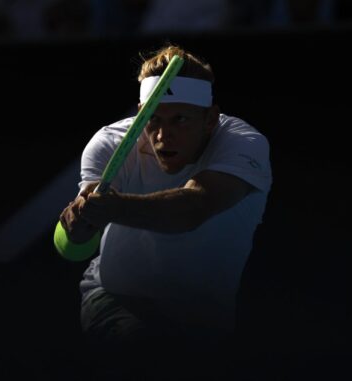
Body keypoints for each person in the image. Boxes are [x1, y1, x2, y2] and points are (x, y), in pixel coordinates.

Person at [57, 43, 272, 375]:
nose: (162, 135)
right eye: (153, 119)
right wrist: (81, 221)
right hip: (115, 298)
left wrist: (112, 208)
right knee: (152, 357)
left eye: (180, 120)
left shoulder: (244, 144)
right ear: (140, 111)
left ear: (211, 119)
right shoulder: (109, 142)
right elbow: (87, 219)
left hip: (206, 318)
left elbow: (194, 208)